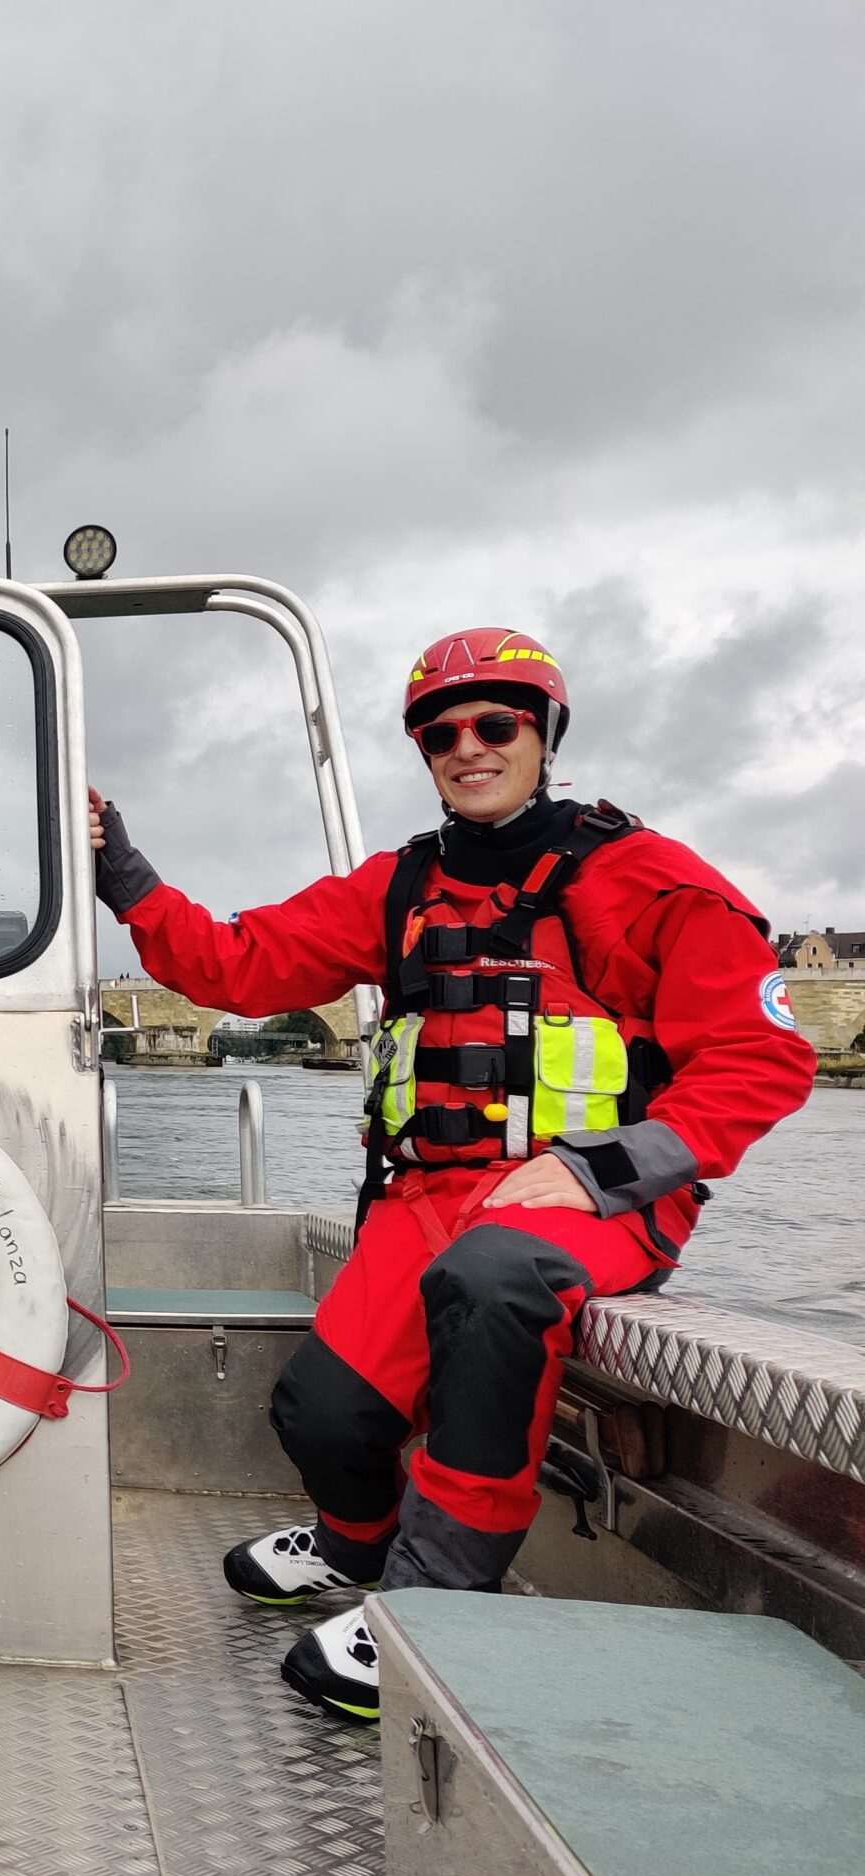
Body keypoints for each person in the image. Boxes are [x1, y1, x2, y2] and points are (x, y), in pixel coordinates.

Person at [91, 627, 812, 1720]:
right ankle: (355, 1547)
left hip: (593, 1202)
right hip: (428, 1199)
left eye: (495, 725)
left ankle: (439, 1617)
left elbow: (761, 1057)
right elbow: (234, 964)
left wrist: (603, 1168)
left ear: (544, 735)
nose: (466, 747)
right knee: (321, 1413)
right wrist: (121, 871)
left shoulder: (649, 880)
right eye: (440, 732)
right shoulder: (397, 888)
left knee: (495, 1281)